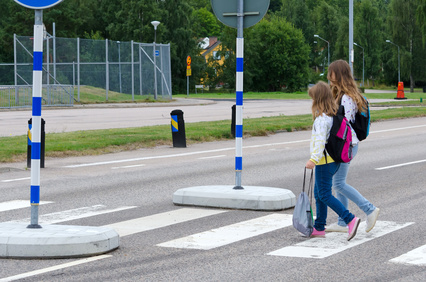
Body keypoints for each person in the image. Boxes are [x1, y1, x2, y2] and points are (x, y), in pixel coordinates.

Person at [326, 59, 380, 233]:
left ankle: (369, 209)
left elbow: (344, 123)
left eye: (332, 72)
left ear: (339, 74)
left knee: (339, 183)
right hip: (347, 144)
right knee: (338, 182)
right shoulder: (342, 95)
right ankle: (343, 222)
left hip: (346, 144)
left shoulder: (346, 98)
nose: (329, 75)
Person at [306, 81, 360, 241]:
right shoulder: (332, 115)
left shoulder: (322, 119)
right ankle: (319, 227)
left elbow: (320, 141)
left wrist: (313, 160)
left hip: (324, 161)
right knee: (319, 193)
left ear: (318, 100)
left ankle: (350, 219)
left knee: (324, 194)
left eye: (313, 99)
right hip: (332, 160)